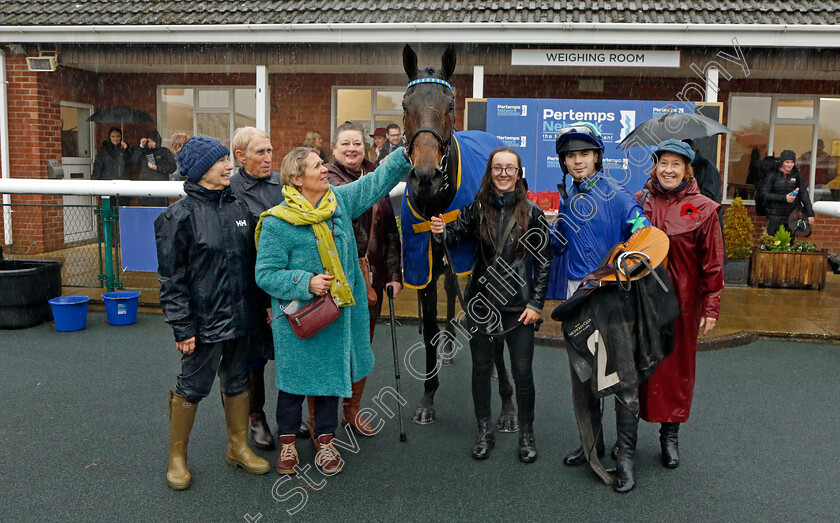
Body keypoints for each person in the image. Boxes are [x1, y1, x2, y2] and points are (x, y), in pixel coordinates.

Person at [255, 145, 412, 475]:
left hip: (338, 319)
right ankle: (287, 444)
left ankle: (325, 443)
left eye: (323, 164)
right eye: (316, 166)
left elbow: (377, 181)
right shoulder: (276, 223)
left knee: (330, 383)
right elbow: (265, 274)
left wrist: (406, 152)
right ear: (297, 179)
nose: (325, 169)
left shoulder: (339, 202)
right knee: (293, 387)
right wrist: (306, 282)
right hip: (298, 321)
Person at [155, 136, 270, 491]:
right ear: (202, 169)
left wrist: (263, 305)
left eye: (226, 159)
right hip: (203, 326)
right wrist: (182, 328)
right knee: (192, 387)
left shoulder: (239, 209)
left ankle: (238, 447)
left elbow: (253, 265)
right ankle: (177, 458)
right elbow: (172, 281)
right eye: (221, 160)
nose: (228, 166)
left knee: (238, 382)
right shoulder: (177, 217)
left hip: (242, 319)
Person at [430, 147, 551, 463]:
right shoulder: (475, 210)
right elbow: (452, 239)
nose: (504, 173)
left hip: (520, 308)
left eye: (510, 168)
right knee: (481, 371)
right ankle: (484, 430)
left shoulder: (533, 213)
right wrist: (441, 231)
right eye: (498, 168)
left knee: (522, 373)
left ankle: (526, 434)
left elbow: (545, 261)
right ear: (490, 172)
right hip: (481, 306)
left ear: (519, 173)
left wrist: (537, 303)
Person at [551, 125, 651, 493]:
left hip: (612, 295)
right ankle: (591, 443)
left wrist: (620, 263)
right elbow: (563, 245)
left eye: (584, 154)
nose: (577, 160)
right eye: (570, 156)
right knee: (583, 377)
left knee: (623, 379)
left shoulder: (619, 195)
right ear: (564, 161)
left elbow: (647, 236)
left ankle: (625, 457)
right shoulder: (568, 197)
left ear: (597, 157)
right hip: (577, 296)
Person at [636, 139, 724, 469]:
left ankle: (669, 436)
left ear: (687, 170)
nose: (668, 170)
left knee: (675, 370)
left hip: (682, 305)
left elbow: (713, 261)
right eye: (663, 163)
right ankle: (626, 437)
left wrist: (711, 304)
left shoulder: (704, 208)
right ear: (654, 167)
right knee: (636, 366)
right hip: (641, 301)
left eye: (676, 164)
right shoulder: (639, 202)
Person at [322, 122, 403, 437]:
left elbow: (390, 233)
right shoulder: (326, 178)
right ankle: (323, 419)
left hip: (374, 277)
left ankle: (351, 411)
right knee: (333, 348)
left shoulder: (375, 177)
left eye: (357, 143)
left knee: (362, 346)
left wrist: (394, 275)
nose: (352, 149)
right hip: (338, 278)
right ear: (334, 148)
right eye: (345, 144)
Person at [229, 126, 307, 451]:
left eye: (270, 151)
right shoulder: (230, 190)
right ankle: (256, 417)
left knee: (291, 353)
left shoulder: (282, 185)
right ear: (240, 156)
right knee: (254, 361)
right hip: (247, 287)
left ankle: (290, 416)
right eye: (260, 152)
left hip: (282, 286)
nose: (268, 158)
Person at [757, 149, 815, 235]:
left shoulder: (796, 174)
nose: (790, 165)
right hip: (774, 213)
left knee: (789, 240)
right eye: (787, 162)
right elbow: (763, 194)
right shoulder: (772, 174)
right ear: (782, 162)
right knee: (773, 239)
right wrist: (784, 198)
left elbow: (804, 194)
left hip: (791, 214)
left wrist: (810, 214)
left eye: (792, 162)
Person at [132, 130, 177, 206]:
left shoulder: (164, 152)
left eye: (153, 141)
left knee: (159, 209)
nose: (151, 144)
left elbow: (172, 167)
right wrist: (141, 146)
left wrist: (157, 168)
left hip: (160, 187)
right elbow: (134, 160)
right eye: (149, 142)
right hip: (145, 187)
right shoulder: (144, 152)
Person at [92, 127, 132, 206]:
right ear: (109, 138)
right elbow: (98, 166)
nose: (115, 139)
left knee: (124, 207)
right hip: (107, 182)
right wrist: (94, 180)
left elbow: (130, 162)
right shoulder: (103, 151)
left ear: (121, 137)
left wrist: (126, 150)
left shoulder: (126, 149)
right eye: (113, 136)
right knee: (109, 208)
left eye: (118, 136)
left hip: (123, 182)